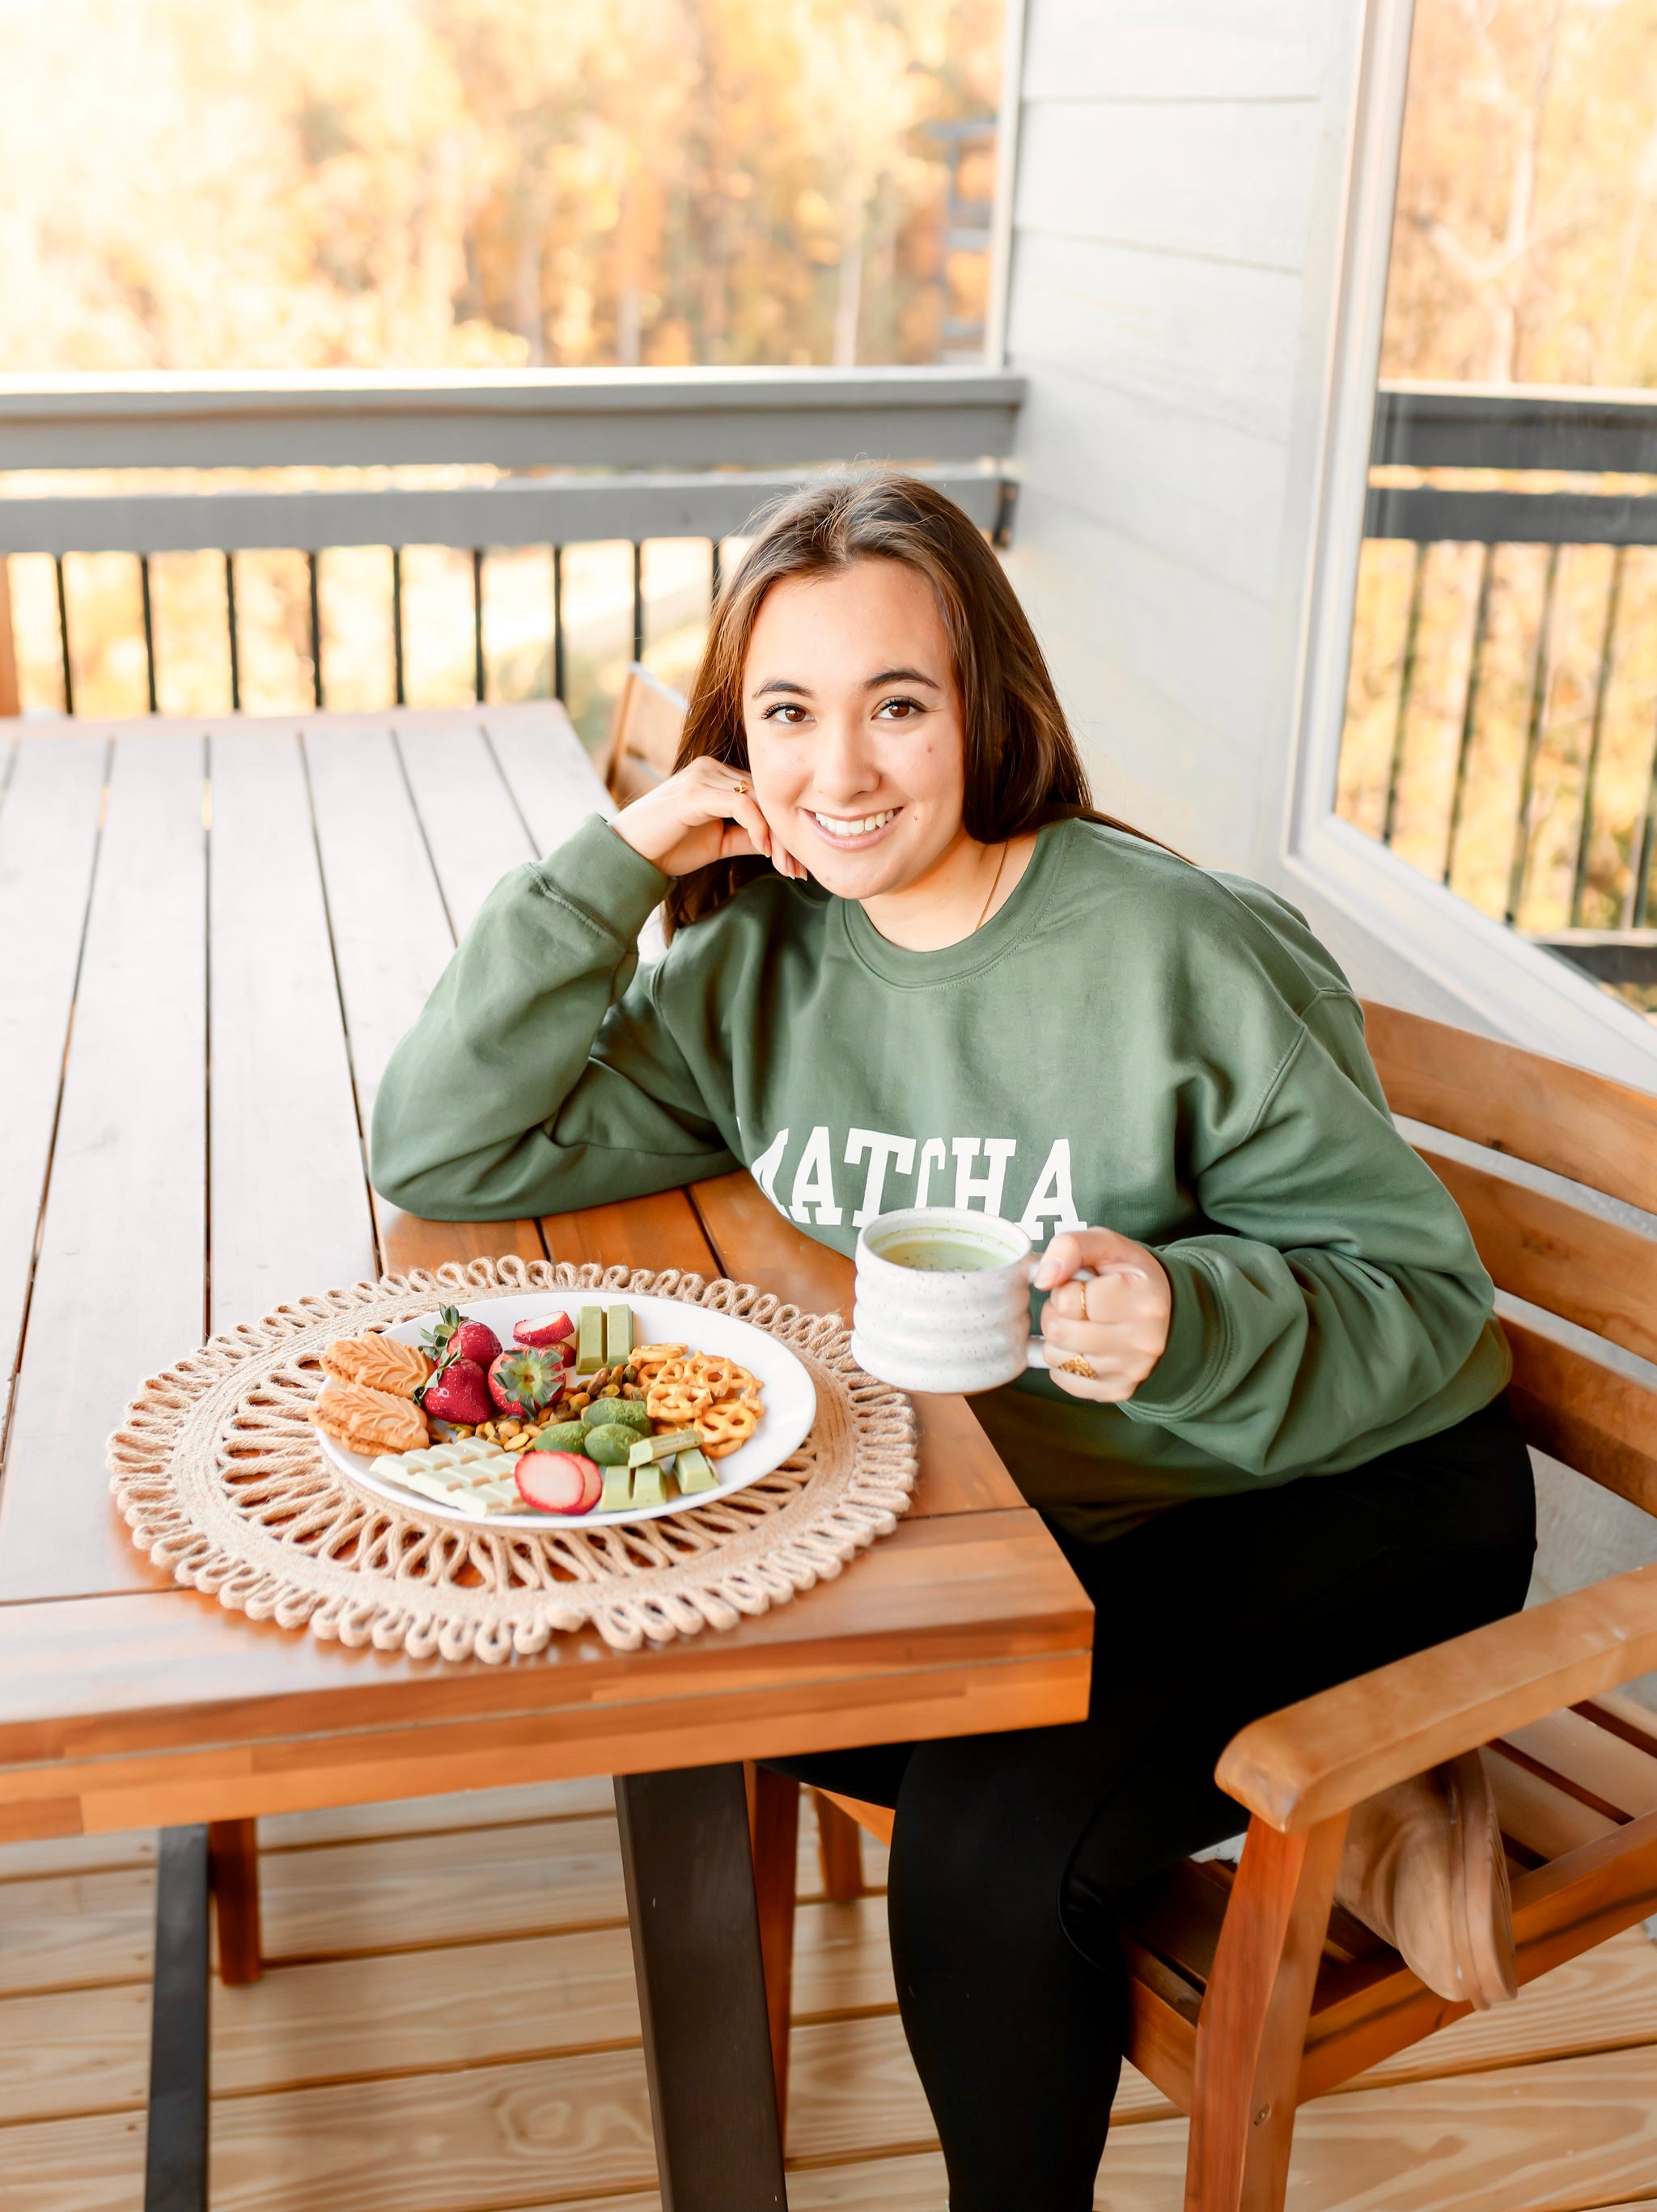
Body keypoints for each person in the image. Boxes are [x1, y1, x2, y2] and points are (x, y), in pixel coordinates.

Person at [372, 472, 1536, 2212]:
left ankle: (1349, 1772)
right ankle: (1366, 1807)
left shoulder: (1175, 947)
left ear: (985, 705)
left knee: (987, 1860)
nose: (839, 771)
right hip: (1044, 1520)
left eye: (896, 705)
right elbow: (445, 1150)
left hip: (1342, 1484)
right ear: (735, 742)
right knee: (697, 1677)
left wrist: (1188, 1315)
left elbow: (1428, 1304)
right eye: (788, 713)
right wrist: (611, 866)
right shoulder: (754, 965)